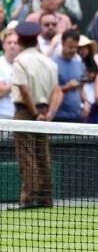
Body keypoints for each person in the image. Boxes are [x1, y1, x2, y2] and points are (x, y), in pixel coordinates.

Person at [12, 21, 62, 209]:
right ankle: (45, 198)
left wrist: (33, 114)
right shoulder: (49, 62)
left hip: (26, 112)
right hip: (43, 112)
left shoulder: (20, 61)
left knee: (27, 155)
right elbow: (56, 91)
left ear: (19, 40)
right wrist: (48, 114)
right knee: (42, 155)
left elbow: (24, 91)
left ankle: (29, 198)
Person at [53, 29, 89, 123]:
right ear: (62, 43)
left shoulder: (79, 62)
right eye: (70, 47)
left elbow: (81, 88)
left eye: (75, 47)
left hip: (77, 116)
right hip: (58, 116)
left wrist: (85, 102)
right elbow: (50, 91)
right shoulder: (53, 63)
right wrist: (66, 87)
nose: (73, 50)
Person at [0, 28, 19, 119]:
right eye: (9, 42)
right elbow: (1, 91)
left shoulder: (23, 64)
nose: (12, 46)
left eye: (15, 43)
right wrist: (19, 84)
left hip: (19, 115)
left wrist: (7, 86)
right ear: (3, 45)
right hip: (2, 113)